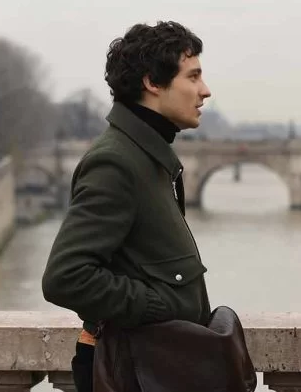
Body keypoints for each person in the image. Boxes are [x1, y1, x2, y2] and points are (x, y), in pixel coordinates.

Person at [42, 21, 212, 392]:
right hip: (132, 371)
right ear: (153, 83)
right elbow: (65, 277)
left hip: (156, 366)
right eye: (193, 76)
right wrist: (158, 306)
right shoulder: (117, 163)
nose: (205, 90)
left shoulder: (148, 156)